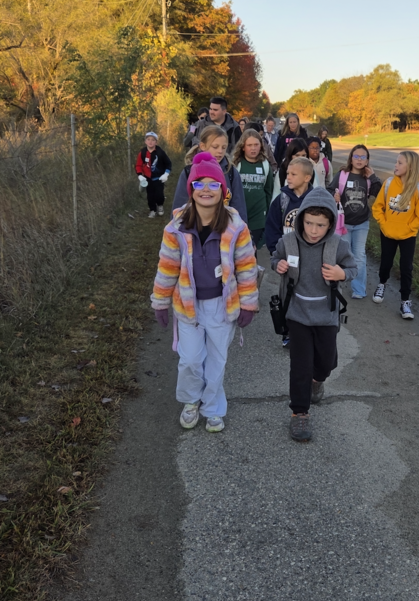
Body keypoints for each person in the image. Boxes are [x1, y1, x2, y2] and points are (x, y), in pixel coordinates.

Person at [151, 152, 258, 433]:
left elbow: (246, 268)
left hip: (222, 304)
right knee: (190, 359)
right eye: (199, 184)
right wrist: (160, 302)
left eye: (213, 184)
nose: (206, 190)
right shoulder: (176, 228)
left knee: (216, 360)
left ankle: (213, 407)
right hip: (188, 305)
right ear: (191, 190)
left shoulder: (236, 228)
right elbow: (167, 267)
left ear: (223, 190)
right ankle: (191, 401)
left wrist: (249, 304)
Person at [272, 188, 357, 442]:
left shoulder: (338, 246)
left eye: (320, 225)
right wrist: (279, 265)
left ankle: (317, 380)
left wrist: (342, 274)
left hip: (326, 315)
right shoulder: (288, 242)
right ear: (301, 220)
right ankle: (299, 412)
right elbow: (276, 257)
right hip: (297, 313)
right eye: (308, 223)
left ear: (330, 224)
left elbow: (352, 268)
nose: (313, 230)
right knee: (300, 365)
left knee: (326, 362)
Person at [265, 155, 315, 348]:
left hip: (310, 257)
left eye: (294, 174)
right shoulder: (282, 200)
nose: (288, 177)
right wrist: (276, 254)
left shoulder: (315, 201)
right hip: (288, 259)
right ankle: (287, 331)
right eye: (288, 173)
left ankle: (307, 330)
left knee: (308, 294)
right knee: (288, 295)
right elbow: (272, 228)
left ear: (307, 177)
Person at [371, 150, 419, 320]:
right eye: (396, 162)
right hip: (388, 232)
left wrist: (410, 228)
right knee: (386, 262)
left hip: (408, 235)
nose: (395, 165)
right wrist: (384, 223)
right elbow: (377, 207)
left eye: (400, 163)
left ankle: (405, 301)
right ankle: (382, 284)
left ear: (410, 167)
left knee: (406, 267)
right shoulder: (389, 183)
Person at [329, 144, 382, 299]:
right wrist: (334, 195)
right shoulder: (342, 174)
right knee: (345, 254)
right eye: (356, 156)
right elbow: (330, 189)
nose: (359, 160)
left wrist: (373, 177)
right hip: (344, 223)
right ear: (351, 158)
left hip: (361, 223)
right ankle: (338, 282)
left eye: (363, 157)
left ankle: (358, 289)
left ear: (367, 160)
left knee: (359, 255)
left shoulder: (368, 178)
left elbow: (380, 193)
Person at [172, 125, 247, 219]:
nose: (220, 151)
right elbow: (179, 205)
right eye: (215, 147)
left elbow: (239, 206)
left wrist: (241, 226)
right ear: (203, 146)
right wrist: (176, 226)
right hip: (195, 225)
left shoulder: (231, 172)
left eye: (224, 147)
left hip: (224, 225)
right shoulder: (189, 172)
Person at [232, 127, 274, 250]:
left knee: (252, 250)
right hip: (239, 215)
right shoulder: (236, 165)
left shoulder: (265, 165)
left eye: (256, 145)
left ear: (261, 146)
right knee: (238, 250)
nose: (253, 148)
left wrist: (267, 215)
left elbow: (268, 191)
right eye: (249, 145)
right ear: (243, 147)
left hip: (258, 217)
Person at [135, 131, 172, 218]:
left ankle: (160, 205)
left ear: (156, 142)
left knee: (159, 195)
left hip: (159, 178)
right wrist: (140, 175)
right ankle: (152, 210)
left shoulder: (160, 152)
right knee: (150, 196)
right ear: (145, 141)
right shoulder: (142, 153)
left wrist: (166, 174)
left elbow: (168, 164)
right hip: (148, 179)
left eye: (153, 140)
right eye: (148, 139)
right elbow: (138, 165)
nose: (150, 141)